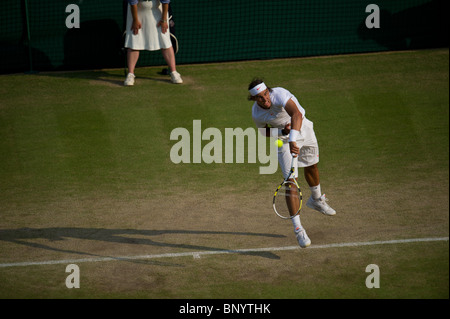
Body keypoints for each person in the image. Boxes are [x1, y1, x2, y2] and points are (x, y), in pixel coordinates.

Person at [248, 78, 336, 248]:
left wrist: (293, 139)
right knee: (291, 182)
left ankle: (316, 200)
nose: (265, 99)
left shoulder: (279, 94)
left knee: (311, 166)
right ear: (254, 99)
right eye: (260, 97)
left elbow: (296, 114)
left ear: (269, 90)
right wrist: (282, 131)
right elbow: (263, 131)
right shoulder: (256, 114)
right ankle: (298, 229)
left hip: (304, 129)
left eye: (266, 94)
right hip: (284, 139)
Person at [124, 0, 182, 86]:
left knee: (165, 42)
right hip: (136, 13)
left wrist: (164, 20)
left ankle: (174, 72)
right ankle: (130, 74)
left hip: (158, 14)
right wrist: (135, 20)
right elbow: (133, 2)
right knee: (134, 42)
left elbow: (165, 2)